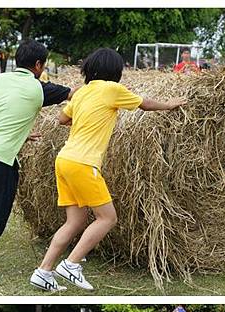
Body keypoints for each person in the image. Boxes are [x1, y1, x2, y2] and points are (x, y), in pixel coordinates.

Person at [30, 47, 187, 292]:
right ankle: (71, 265)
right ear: (115, 71)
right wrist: (169, 105)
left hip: (64, 160)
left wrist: (86, 118)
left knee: (75, 221)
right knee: (108, 218)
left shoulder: (82, 93)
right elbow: (143, 104)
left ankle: (43, 271)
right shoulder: (112, 89)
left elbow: (61, 120)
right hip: (83, 163)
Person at [0, 40, 74, 280]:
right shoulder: (38, 88)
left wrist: (20, 133)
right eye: (43, 65)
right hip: (1, 157)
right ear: (37, 64)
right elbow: (74, 94)